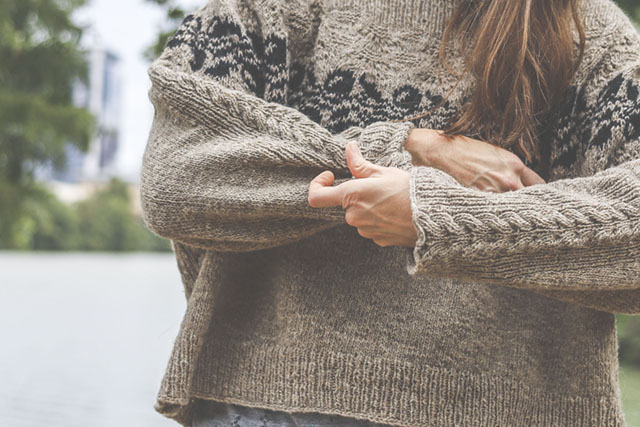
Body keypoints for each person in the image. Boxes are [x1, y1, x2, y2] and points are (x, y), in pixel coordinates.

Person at [139, 0, 640, 425]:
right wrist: (409, 147)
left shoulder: (588, 33)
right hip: (269, 406)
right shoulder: (277, 10)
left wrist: (434, 216)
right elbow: (174, 177)